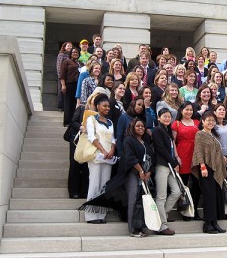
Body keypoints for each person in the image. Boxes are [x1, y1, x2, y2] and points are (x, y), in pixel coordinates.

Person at [191, 111, 227, 234]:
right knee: (209, 197)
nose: (211, 122)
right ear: (203, 121)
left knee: (217, 196)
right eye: (208, 120)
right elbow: (198, 151)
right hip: (206, 168)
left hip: (216, 169)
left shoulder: (214, 135)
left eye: (213, 120)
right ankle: (208, 224)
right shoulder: (200, 134)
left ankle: (215, 222)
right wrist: (202, 166)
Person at [85, 94, 116, 224]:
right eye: (104, 106)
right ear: (98, 106)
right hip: (96, 156)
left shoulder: (110, 122)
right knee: (95, 183)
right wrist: (103, 151)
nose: (107, 108)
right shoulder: (91, 119)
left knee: (104, 185)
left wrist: (111, 151)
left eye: (108, 106)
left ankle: (101, 215)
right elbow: (92, 137)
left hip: (108, 158)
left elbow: (113, 139)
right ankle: (91, 215)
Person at [122, 119, 155, 237]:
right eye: (138, 126)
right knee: (133, 199)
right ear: (132, 127)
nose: (141, 128)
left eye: (142, 126)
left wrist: (149, 172)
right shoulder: (129, 140)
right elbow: (130, 157)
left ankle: (140, 226)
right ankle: (132, 229)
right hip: (133, 173)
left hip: (145, 175)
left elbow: (152, 158)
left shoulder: (145, 142)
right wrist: (140, 170)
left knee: (142, 201)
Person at [152, 108, 181, 235]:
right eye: (164, 116)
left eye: (169, 116)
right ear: (158, 118)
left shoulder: (167, 131)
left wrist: (174, 162)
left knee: (177, 192)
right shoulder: (157, 130)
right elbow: (160, 149)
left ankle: (162, 215)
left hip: (169, 166)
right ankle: (162, 226)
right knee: (161, 196)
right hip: (162, 166)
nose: (167, 118)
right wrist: (174, 162)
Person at [171, 102, 201, 220]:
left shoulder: (197, 123)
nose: (189, 112)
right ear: (181, 110)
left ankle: (195, 211)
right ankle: (184, 211)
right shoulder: (176, 124)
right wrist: (177, 157)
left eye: (191, 110)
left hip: (196, 155)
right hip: (182, 154)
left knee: (197, 185)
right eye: (186, 110)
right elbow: (173, 141)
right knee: (183, 184)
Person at [213, 103, 227, 215]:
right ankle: (219, 211)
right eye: (219, 110)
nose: (222, 111)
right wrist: (220, 156)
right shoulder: (212, 125)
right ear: (214, 112)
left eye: (223, 110)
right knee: (218, 184)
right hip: (217, 160)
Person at [60, 47, 80, 126]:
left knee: (73, 103)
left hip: (77, 85)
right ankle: (66, 121)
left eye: (77, 53)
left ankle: (72, 121)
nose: (75, 54)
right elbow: (62, 74)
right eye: (74, 52)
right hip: (68, 84)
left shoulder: (79, 63)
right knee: (68, 103)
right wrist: (63, 85)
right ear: (70, 53)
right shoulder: (66, 61)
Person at [56, 41, 72, 110]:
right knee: (62, 91)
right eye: (68, 46)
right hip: (62, 76)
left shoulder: (71, 56)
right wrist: (60, 75)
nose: (70, 47)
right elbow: (59, 66)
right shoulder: (61, 55)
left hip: (70, 77)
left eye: (71, 46)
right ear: (64, 47)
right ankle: (60, 106)